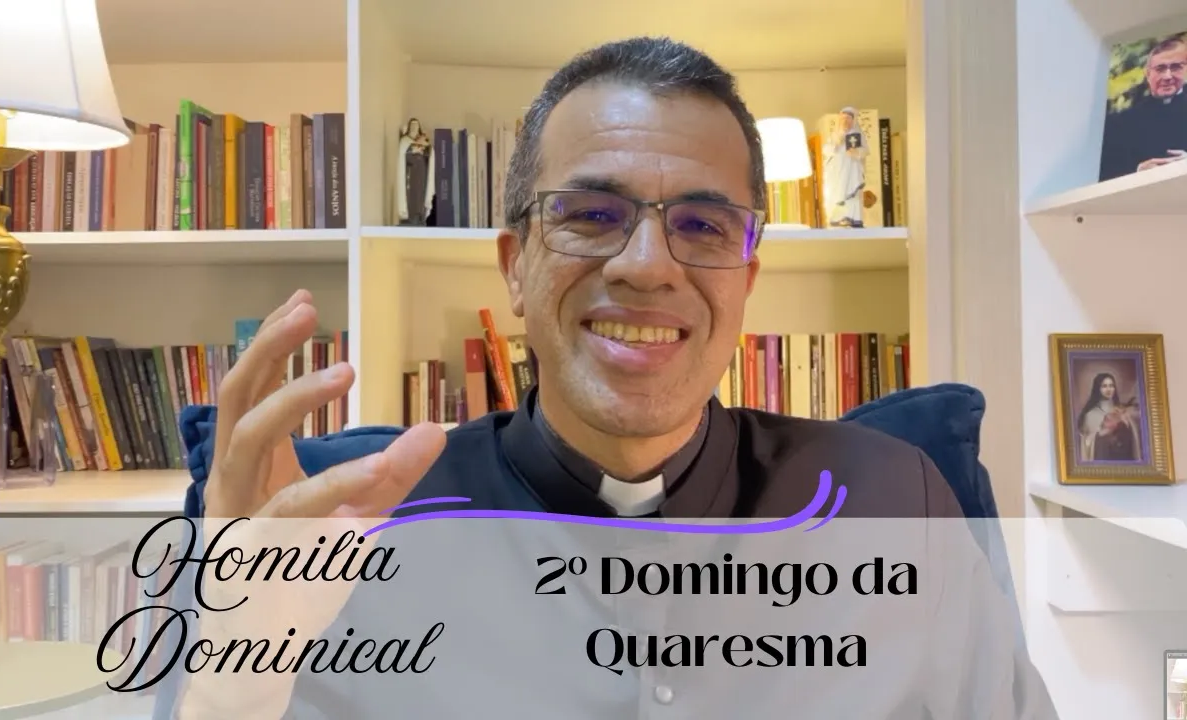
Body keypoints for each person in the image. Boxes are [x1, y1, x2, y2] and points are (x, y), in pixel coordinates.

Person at [161, 36, 1058, 718]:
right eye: (591, 214)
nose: (646, 265)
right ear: (515, 268)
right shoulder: (342, 536)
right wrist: (236, 675)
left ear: (745, 279)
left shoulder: (901, 503)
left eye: (703, 226)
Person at [1099, 34, 1187, 181]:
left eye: (1176, 67)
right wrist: (1138, 170)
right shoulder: (1122, 122)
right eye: (1160, 69)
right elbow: (1106, 171)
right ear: (1148, 74)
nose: (1167, 76)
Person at [1076, 372, 1141, 462]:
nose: (1109, 389)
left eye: (1111, 386)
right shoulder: (1090, 415)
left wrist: (1127, 424)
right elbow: (1087, 443)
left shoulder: (1122, 411)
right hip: (1103, 460)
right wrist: (1102, 433)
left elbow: (1133, 439)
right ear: (1097, 389)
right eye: (1104, 386)